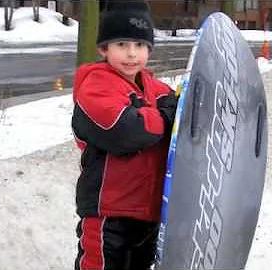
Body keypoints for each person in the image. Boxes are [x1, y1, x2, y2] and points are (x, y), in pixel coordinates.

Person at [71, 2, 177, 270]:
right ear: (103, 48)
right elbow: (126, 130)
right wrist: (164, 116)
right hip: (108, 216)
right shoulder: (95, 86)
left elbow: (183, 117)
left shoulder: (157, 89)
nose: (132, 54)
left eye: (140, 46)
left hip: (149, 215)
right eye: (122, 44)